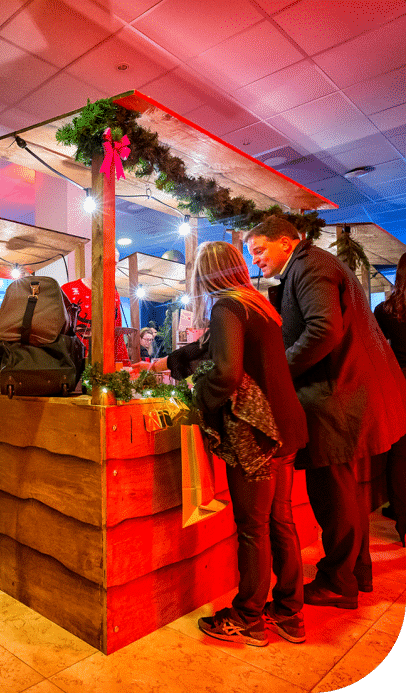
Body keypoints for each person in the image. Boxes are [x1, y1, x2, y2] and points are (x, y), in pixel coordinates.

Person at [245, 215, 406, 608]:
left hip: (337, 396)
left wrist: (277, 373)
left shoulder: (310, 264)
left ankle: (338, 582)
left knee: (331, 490)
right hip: (347, 392)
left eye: (260, 251)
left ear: (287, 242)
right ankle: (356, 573)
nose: (256, 262)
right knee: (344, 488)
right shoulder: (311, 264)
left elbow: (323, 330)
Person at [152, 241, 309, 646]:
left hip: (258, 435)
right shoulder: (256, 304)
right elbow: (208, 347)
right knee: (280, 521)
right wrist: (163, 363)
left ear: (207, 274)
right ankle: (290, 613)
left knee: (253, 528)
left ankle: (249, 618)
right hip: (286, 429)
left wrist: (196, 396)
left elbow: (225, 371)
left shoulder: (226, 307)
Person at [373, 250, 406, 546]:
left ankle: (403, 522)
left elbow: (377, 350)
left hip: (399, 385)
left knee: (399, 455)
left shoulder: (384, 311)